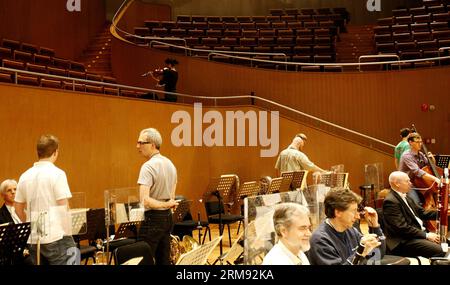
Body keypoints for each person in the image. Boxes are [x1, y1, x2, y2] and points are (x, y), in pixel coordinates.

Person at [14, 134, 78, 265]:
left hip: (33, 239)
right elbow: (63, 207)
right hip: (56, 236)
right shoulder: (57, 174)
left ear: (38, 152)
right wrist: (69, 233)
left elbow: (18, 208)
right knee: (73, 260)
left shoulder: (25, 176)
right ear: (55, 152)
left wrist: (32, 225)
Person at [136, 128, 179, 265]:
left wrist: (164, 204)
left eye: (141, 143)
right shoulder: (170, 164)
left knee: (143, 261)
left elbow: (145, 201)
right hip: (167, 218)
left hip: (152, 220)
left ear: (152, 145)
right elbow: (172, 195)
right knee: (163, 260)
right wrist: (167, 205)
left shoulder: (147, 167)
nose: (138, 146)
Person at [308, 188, 384, 265]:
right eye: (353, 211)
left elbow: (377, 255)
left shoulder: (351, 230)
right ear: (338, 212)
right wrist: (360, 253)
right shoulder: (320, 240)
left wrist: (374, 226)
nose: (358, 216)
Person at [382, 171, 445, 258]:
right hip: (403, 241)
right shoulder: (390, 201)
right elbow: (402, 227)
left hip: (415, 235)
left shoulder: (406, 196)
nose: (410, 183)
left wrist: (443, 212)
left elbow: (422, 213)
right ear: (397, 184)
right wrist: (427, 236)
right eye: (407, 181)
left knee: (446, 243)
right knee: (440, 250)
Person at [398, 132, 440, 205]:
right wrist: (435, 179)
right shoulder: (407, 156)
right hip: (407, 184)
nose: (420, 144)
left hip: (418, 183)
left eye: (420, 142)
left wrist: (432, 160)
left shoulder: (420, 154)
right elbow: (417, 171)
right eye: (417, 142)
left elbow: (429, 167)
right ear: (410, 142)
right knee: (416, 203)